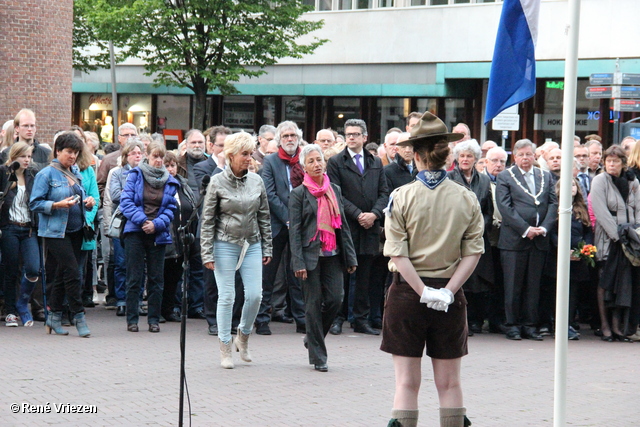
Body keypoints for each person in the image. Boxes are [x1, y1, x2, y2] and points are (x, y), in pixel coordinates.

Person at [381, 112, 483, 427]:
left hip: (408, 295)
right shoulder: (466, 198)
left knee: (406, 384)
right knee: (450, 384)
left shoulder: (402, 196)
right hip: (450, 296)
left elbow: (398, 254)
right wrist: (447, 292)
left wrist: (423, 291)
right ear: (446, 154)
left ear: (417, 154)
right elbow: (473, 252)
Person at [200, 132, 273, 369]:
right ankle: (224, 346)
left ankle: (243, 336)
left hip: (252, 243)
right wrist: (207, 252)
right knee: (227, 296)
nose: (249, 158)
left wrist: (267, 246)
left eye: (251, 153)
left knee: (255, 295)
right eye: (244, 154)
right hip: (224, 244)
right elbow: (207, 220)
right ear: (230, 156)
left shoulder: (257, 181)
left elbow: (264, 216)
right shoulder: (216, 182)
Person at [289, 144, 357, 372]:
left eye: (319, 160)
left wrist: (351, 257)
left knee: (337, 298)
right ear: (304, 167)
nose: (317, 164)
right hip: (309, 257)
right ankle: (318, 357)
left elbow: (343, 226)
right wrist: (298, 262)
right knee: (313, 304)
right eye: (311, 161)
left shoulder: (334, 189)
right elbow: (295, 231)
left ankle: (313, 337)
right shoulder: (298, 194)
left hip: (333, 254)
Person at [30, 132, 96, 337]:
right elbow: (34, 203)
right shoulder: (46, 174)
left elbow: (83, 196)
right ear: (57, 151)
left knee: (61, 275)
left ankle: (54, 316)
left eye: (76, 152)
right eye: (69, 151)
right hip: (55, 232)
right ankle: (78, 316)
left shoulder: (75, 172)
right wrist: (57, 204)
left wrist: (89, 201)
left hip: (76, 230)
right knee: (73, 272)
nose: (72, 156)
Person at [327, 118, 389, 336]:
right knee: (342, 275)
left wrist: (374, 214)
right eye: (348, 134)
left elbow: (384, 193)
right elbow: (336, 194)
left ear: (365, 137)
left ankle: (360, 320)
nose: (351, 137)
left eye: (355, 134)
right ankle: (336, 318)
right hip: (346, 227)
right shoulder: (336, 162)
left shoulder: (376, 162)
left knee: (364, 277)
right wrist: (358, 214)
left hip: (370, 228)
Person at [496, 139, 558, 341]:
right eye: (521, 155)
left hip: (539, 240)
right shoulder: (505, 176)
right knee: (513, 285)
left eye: (528, 154)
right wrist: (525, 229)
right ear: (515, 157)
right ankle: (512, 324)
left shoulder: (545, 176)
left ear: (534, 156)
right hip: (514, 241)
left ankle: (530, 325)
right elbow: (505, 208)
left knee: (534, 285)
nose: (525, 158)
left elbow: (552, 203)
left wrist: (545, 227)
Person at [119, 141, 179, 333]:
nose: (159, 161)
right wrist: (144, 221)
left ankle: (154, 319)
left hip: (158, 232)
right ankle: (132, 319)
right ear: (148, 156)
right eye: (155, 156)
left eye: (162, 157)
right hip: (135, 231)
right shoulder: (135, 175)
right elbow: (126, 202)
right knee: (134, 277)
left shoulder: (170, 181)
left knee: (156, 278)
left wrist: (156, 224)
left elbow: (171, 208)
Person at [256, 121, 306, 335]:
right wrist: (288, 218)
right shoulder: (270, 162)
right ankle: (262, 319)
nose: (289, 139)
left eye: (293, 135)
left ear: (299, 138)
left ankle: (302, 319)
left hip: (301, 226)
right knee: (268, 275)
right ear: (278, 140)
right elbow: (269, 194)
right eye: (285, 136)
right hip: (276, 225)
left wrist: (297, 220)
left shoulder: (305, 159)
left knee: (297, 274)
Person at [590, 145, 640, 341]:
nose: (611, 164)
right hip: (608, 239)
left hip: (630, 238)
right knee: (605, 280)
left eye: (615, 161)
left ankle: (618, 326)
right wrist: (617, 236)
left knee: (624, 282)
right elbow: (600, 211)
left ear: (623, 163)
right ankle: (605, 325)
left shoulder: (633, 181)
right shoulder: (599, 181)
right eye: (608, 161)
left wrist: (634, 234)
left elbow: (637, 209)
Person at [448, 139, 494, 336]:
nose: (465, 159)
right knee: (460, 280)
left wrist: (478, 227)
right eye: (462, 156)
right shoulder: (448, 178)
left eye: (469, 156)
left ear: (476, 159)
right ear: (457, 158)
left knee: (478, 281)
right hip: (455, 238)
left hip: (478, 237)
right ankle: (459, 320)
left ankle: (475, 320)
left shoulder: (484, 180)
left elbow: (488, 210)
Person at [0, 143, 40, 327]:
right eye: (23, 156)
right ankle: (10, 311)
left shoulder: (32, 175)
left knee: (33, 268)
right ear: (14, 156)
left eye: (29, 156)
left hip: (29, 228)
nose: (26, 160)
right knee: (11, 270)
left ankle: (22, 303)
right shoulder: (4, 173)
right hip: (9, 227)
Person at [108, 140, 145, 316]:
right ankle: (122, 299)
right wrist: (137, 196)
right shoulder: (117, 173)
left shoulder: (147, 173)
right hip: (123, 222)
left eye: (140, 153)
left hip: (142, 223)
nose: (137, 156)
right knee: (121, 263)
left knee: (139, 264)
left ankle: (138, 300)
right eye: (133, 153)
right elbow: (115, 195)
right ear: (126, 156)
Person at [162, 151, 200, 323]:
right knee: (161, 275)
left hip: (183, 236)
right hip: (165, 236)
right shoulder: (158, 185)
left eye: (173, 165)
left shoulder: (182, 184)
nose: (170, 169)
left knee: (175, 276)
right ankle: (159, 310)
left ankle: (170, 309)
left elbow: (192, 208)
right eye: (167, 166)